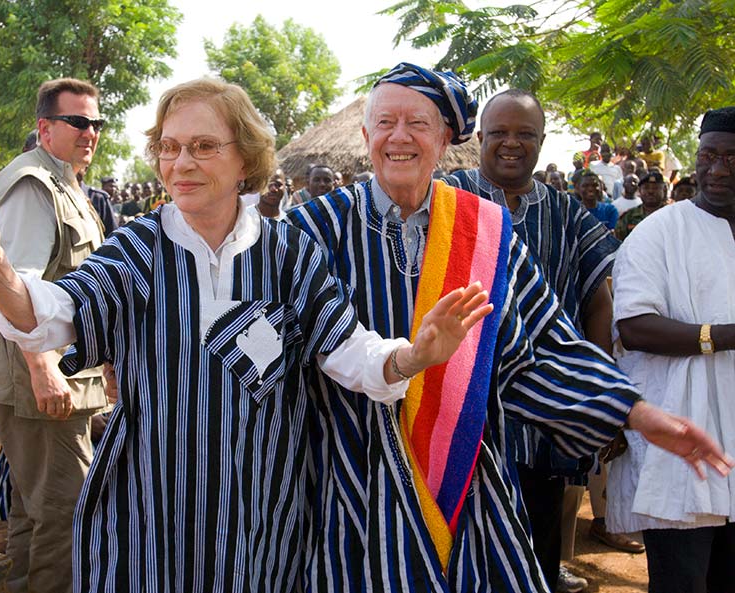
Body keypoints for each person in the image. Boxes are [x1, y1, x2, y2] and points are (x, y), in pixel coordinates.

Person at [0, 78, 495, 593]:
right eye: (169, 147)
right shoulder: (139, 249)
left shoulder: (288, 253)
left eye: (203, 146)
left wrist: (412, 356)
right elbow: (50, 315)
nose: (180, 162)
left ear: (246, 160)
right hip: (149, 513)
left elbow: (349, 351)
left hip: (261, 515)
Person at [285, 64, 731, 593]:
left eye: (418, 124)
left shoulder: (485, 233)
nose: (399, 137)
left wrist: (634, 412)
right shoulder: (312, 229)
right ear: (365, 136)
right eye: (385, 122)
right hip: (349, 483)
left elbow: (541, 349)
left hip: (468, 483)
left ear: (446, 139)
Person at [444, 88, 620, 592]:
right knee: (458, 549)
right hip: (460, 410)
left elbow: (597, 301)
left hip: (542, 417)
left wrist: (593, 390)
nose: (511, 143)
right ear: (480, 137)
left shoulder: (566, 214)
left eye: (525, 134)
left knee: (538, 545)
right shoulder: (447, 199)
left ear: (542, 141)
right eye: (499, 132)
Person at [0, 78, 108, 593]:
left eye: (95, 123)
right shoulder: (33, 184)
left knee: (34, 507)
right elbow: (16, 286)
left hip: (56, 373)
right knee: (66, 513)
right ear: (45, 128)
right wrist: (44, 369)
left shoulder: (64, 179)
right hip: (41, 380)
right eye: (77, 122)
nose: (89, 133)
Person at [607, 106, 735, 593]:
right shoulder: (659, 231)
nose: (717, 169)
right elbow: (635, 327)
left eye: (731, 158)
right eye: (708, 156)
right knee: (682, 581)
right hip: (680, 444)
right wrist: (724, 336)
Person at [614, 170, 669, 241]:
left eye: (655, 188)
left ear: (664, 191)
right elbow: (619, 243)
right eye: (646, 188)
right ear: (639, 191)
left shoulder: (671, 215)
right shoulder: (629, 216)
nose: (650, 191)